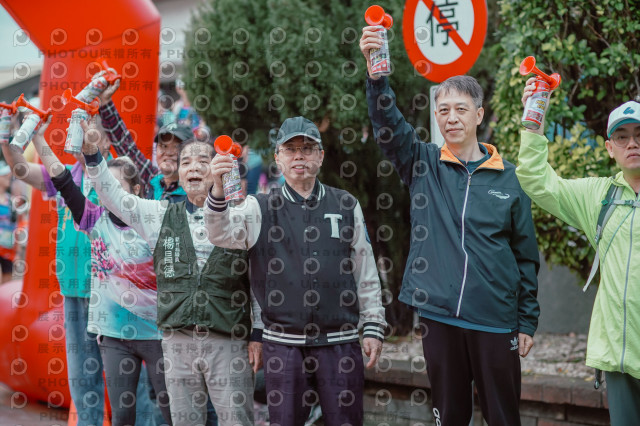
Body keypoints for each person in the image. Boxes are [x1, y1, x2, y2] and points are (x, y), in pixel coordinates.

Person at [359, 30, 540, 426]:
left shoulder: (511, 179)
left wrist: (527, 320)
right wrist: (376, 78)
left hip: (495, 320)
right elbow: (388, 126)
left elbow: (526, 255)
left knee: (504, 417)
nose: (451, 118)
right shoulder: (422, 163)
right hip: (440, 317)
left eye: (460, 109)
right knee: (449, 416)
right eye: (443, 110)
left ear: (479, 115)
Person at [206, 116, 387, 426]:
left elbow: (365, 269)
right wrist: (218, 188)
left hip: (340, 342)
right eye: (290, 150)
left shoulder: (346, 204)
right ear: (278, 158)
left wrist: (373, 324)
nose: (299, 156)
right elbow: (219, 233)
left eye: (307, 148)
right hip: (283, 345)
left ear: (321, 156)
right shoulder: (259, 207)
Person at [81, 121, 262, 426]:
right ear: (178, 173)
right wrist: (91, 153)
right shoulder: (159, 214)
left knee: (236, 420)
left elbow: (257, 277)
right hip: (176, 341)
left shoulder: (242, 213)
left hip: (228, 339)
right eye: (186, 162)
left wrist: (257, 334)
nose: (194, 167)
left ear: (217, 169)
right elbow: (113, 196)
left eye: (203, 161)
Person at [29, 127, 172, 426]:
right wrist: (38, 136)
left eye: (115, 186)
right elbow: (62, 179)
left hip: (155, 333)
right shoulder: (95, 220)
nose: (108, 193)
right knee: (123, 416)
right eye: (104, 186)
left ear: (136, 190)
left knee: (170, 409)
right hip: (114, 336)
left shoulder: (153, 216)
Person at [98, 76, 220, 425]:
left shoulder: (200, 194)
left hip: (189, 316)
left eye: (175, 147)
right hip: (147, 315)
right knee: (155, 400)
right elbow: (124, 142)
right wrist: (105, 106)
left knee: (194, 399)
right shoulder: (148, 185)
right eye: (162, 146)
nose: (167, 152)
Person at [517, 81, 640, 425]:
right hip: (618, 358)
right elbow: (538, 181)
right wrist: (534, 123)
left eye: (639, 135)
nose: (632, 143)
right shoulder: (599, 197)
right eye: (622, 137)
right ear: (609, 148)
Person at [1, 118, 110, 426]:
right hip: (73, 288)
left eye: (89, 129)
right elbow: (21, 169)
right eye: (78, 129)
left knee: (121, 375)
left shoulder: (113, 173)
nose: (81, 136)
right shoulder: (67, 172)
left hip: (108, 290)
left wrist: (38, 136)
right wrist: (6, 136)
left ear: (104, 139)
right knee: (81, 375)